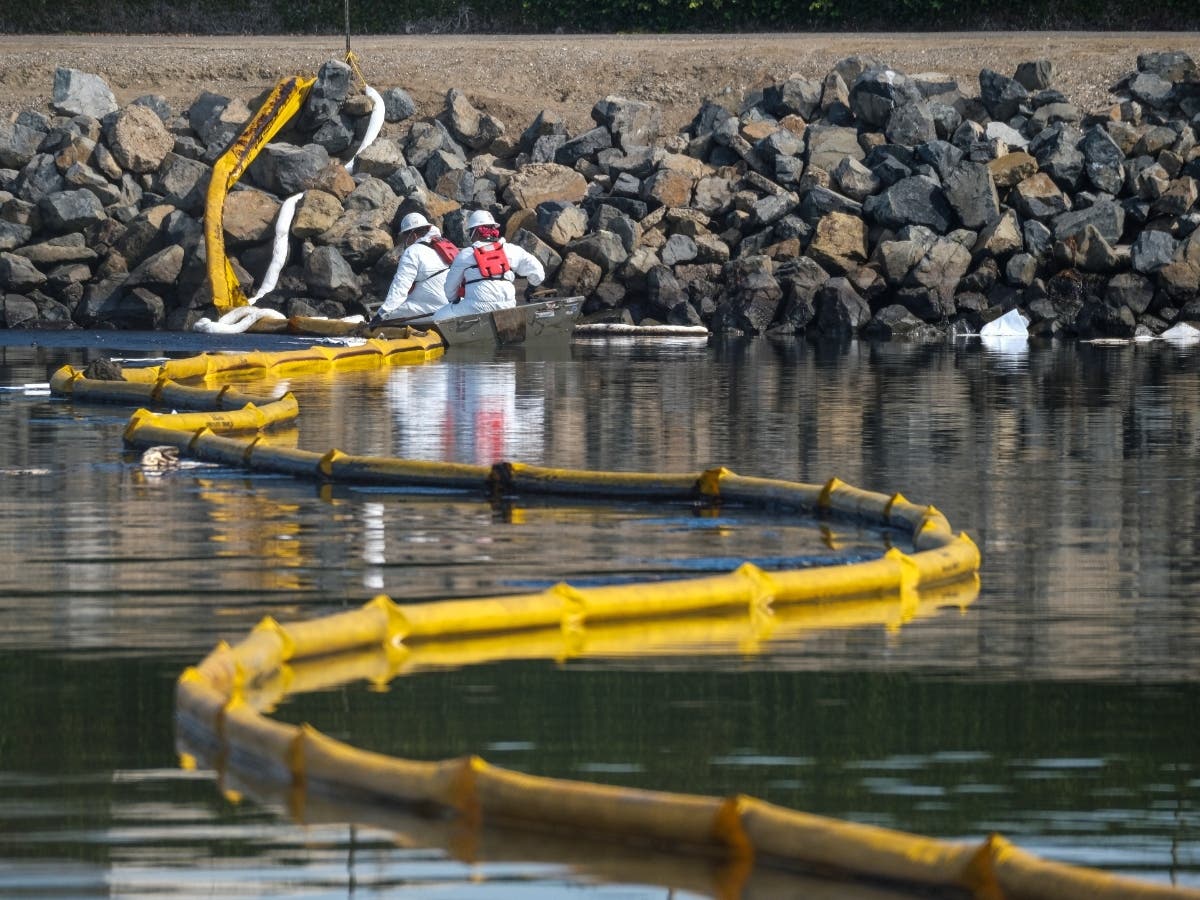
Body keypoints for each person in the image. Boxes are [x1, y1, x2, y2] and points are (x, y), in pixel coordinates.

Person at [436, 209, 546, 322]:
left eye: (470, 233)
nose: (470, 237)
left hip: (475, 307)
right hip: (508, 306)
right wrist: (531, 288)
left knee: (438, 317)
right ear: (493, 230)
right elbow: (538, 271)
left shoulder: (466, 254)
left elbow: (450, 287)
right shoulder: (511, 250)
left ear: (477, 232)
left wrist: (454, 300)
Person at [369, 213, 459, 327]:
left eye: (404, 237)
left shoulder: (412, 251)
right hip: (454, 306)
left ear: (413, 235)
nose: (404, 241)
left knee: (385, 316)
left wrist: (382, 314)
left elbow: (400, 287)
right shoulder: (440, 246)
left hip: (434, 309)